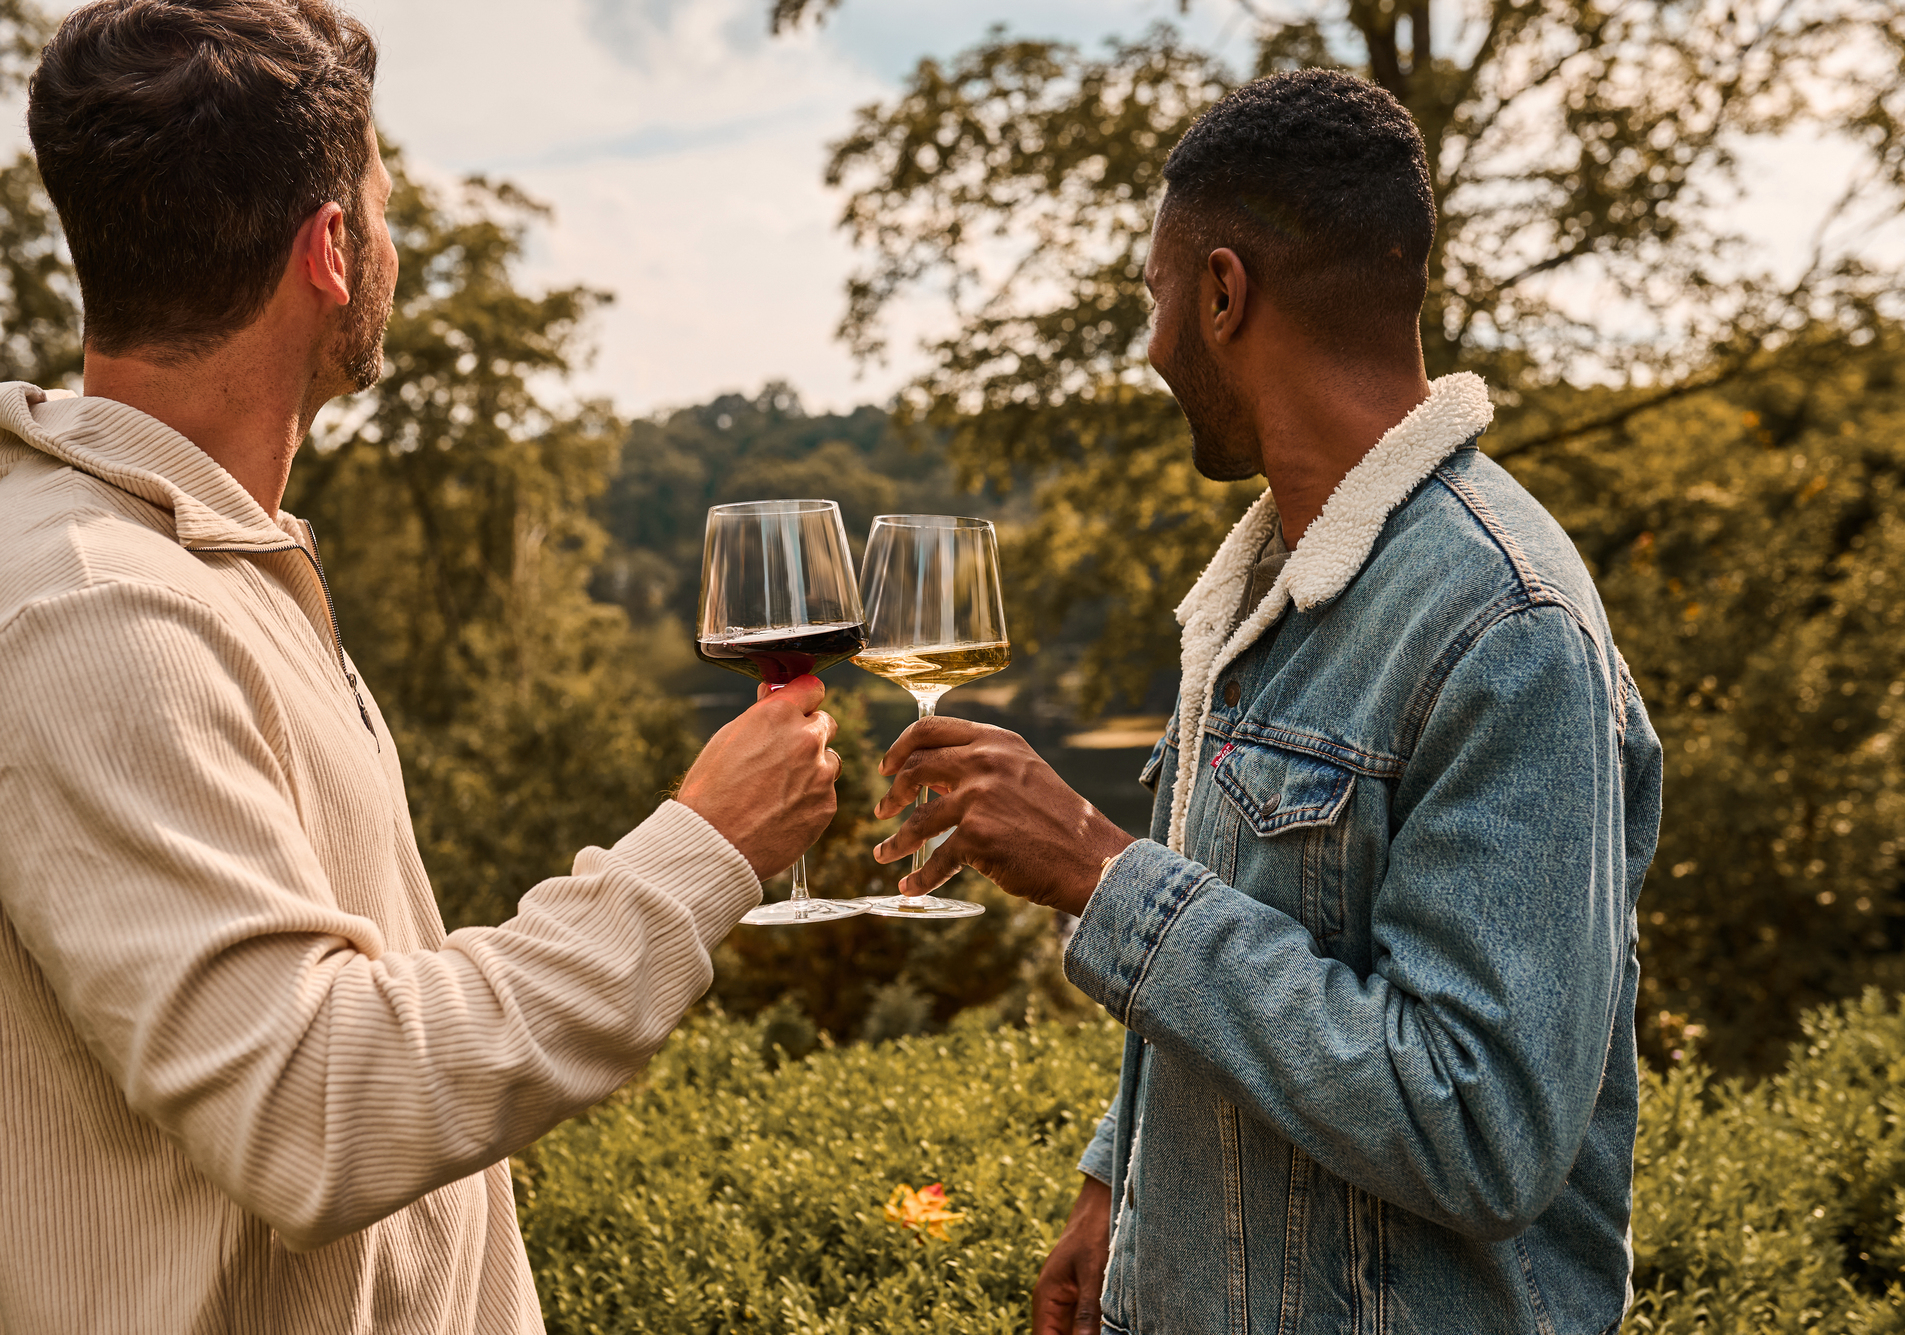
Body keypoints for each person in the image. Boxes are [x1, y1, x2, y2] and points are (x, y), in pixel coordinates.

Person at [0, 1, 841, 1329]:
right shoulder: (97, 612)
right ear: (333, 249)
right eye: (384, 208)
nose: (393, 244)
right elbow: (310, 1099)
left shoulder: (205, 556)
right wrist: (702, 850)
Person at [870, 69, 1664, 1335]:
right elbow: (1274, 937)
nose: (1147, 348)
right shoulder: (1271, 590)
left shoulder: (1505, 628)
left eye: (1152, 298)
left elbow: (1482, 1127)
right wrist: (1113, 1178)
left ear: (1222, 292)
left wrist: (1096, 869)